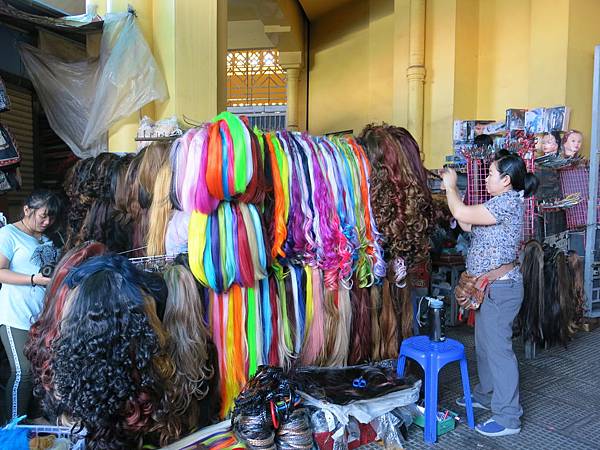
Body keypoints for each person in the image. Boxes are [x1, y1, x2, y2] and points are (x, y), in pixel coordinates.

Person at [441, 151, 539, 437]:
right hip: (488, 287)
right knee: (484, 346)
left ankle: (509, 418)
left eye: (491, 174)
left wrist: (450, 186)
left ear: (506, 180)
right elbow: (467, 222)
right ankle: (486, 394)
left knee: (499, 353)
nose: (486, 178)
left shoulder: (508, 203)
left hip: (501, 288)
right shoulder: (498, 201)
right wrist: (454, 191)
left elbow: (461, 213)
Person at [0, 190, 63, 424]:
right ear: (27, 210)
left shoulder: (48, 238)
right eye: (43, 216)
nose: (47, 222)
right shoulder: (8, 234)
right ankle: (13, 425)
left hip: (42, 317)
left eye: (52, 218)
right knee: (22, 372)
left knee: (42, 371)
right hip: (15, 315)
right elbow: (0, 271)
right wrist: (34, 279)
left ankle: (35, 417)